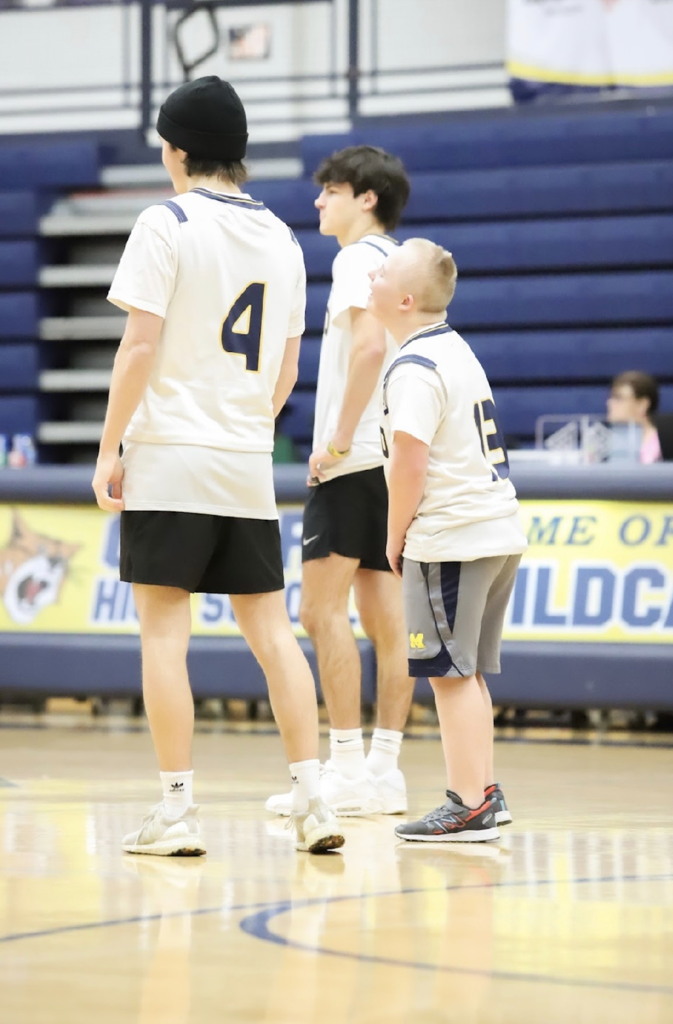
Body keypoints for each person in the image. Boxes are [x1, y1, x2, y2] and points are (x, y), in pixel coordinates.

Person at [91, 76, 344, 857]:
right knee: (270, 632)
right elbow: (286, 373)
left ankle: (176, 811)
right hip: (243, 459)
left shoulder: (164, 220)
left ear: (176, 150)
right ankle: (312, 798)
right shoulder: (283, 236)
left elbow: (138, 347)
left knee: (164, 635)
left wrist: (110, 447)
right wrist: (242, 428)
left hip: (170, 452)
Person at [265, 145, 416, 818]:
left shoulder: (357, 259)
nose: (318, 202)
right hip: (393, 458)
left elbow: (368, 349)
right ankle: (383, 771)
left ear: (365, 199)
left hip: (353, 461)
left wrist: (334, 439)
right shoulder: (406, 260)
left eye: (330, 191)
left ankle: (346, 768)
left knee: (317, 612)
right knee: (388, 621)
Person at [368, 238, 528, 842]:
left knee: (448, 675)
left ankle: (466, 804)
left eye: (382, 272)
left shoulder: (414, 366)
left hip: (452, 535)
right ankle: (484, 792)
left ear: (405, 299)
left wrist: (395, 533)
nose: (372, 277)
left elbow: (409, 460)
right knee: (467, 673)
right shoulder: (454, 350)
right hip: (496, 528)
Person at [606, 371, 662, 464]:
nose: (609, 403)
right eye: (611, 398)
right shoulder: (607, 444)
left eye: (618, 398)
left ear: (642, 404)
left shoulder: (663, 445)